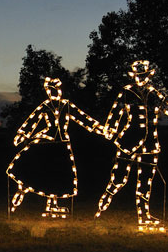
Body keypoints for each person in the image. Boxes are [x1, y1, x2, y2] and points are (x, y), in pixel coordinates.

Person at [95, 60, 168, 230]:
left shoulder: (154, 94)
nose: (141, 79)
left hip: (149, 144)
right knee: (119, 178)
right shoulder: (127, 92)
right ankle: (101, 208)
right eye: (138, 76)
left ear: (148, 76)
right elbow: (116, 112)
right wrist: (110, 129)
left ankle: (143, 215)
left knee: (146, 181)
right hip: (128, 141)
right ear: (134, 76)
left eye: (144, 76)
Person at [7, 77, 102, 217]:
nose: (53, 93)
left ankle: (52, 205)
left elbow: (83, 119)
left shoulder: (66, 105)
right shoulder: (45, 106)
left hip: (62, 144)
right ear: (48, 91)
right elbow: (32, 120)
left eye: (55, 90)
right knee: (39, 170)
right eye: (50, 90)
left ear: (59, 90)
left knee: (57, 174)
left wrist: (98, 128)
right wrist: (22, 134)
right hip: (47, 142)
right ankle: (19, 196)